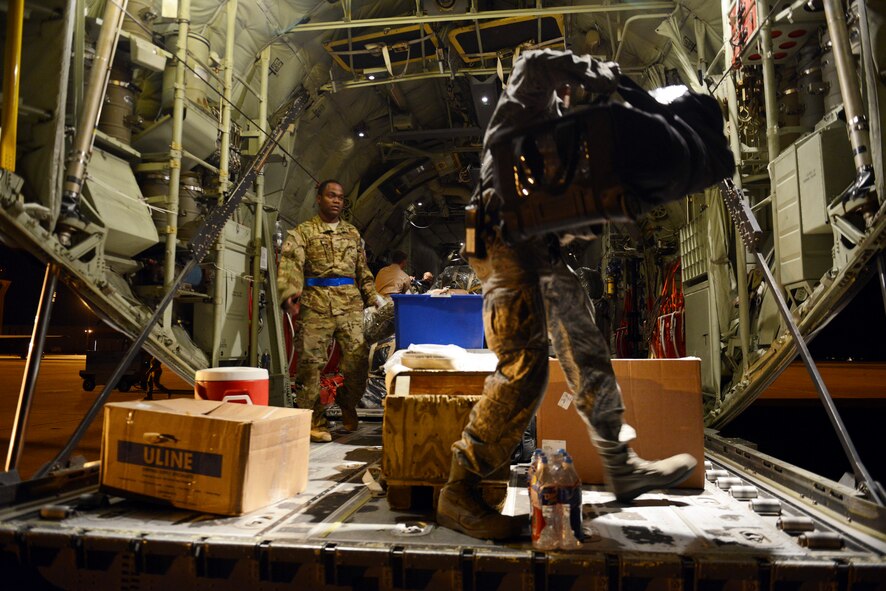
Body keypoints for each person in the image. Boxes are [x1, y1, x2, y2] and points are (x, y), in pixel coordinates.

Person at [436, 49, 733, 539]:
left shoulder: (588, 155)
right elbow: (532, 61)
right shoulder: (530, 112)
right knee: (525, 369)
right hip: (499, 235)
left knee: (583, 342)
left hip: (537, 250)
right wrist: (602, 70)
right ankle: (460, 488)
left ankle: (621, 463)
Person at [278, 179, 383, 442]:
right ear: (319, 199)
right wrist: (289, 295)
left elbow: (362, 271)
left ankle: (347, 404)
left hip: (349, 305)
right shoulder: (302, 232)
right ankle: (315, 419)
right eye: (331, 196)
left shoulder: (352, 234)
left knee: (358, 364)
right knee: (310, 366)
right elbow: (291, 264)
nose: (336, 200)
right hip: (315, 305)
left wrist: (373, 297)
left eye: (340, 197)